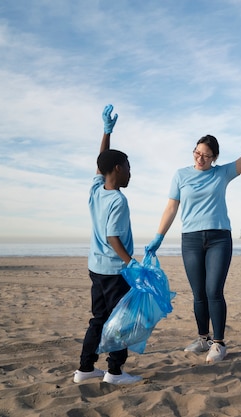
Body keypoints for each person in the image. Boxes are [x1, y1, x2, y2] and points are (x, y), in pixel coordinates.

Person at [145, 107, 241, 364]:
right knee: (198, 293)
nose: (200, 159)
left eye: (206, 156)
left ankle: (219, 343)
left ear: (214, 158)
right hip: (191, 239)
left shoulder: (222, 173)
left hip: (219, 238)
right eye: (197, 153)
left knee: (213, 291)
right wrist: (158, 237)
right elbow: (171, 207)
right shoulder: (181, 175)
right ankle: (203, 338)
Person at [73, 105, 143, 385]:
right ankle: (114, 372)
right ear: (118, 168)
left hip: (95, 268)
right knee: (120, 320)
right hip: (114, 271)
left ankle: (85, 368)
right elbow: (114, 238)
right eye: (128, 167)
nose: (130, 172)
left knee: (99, 318)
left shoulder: (95, 190)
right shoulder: (118, 200)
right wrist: (131, 262)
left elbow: (100, 162)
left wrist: (107, 131)